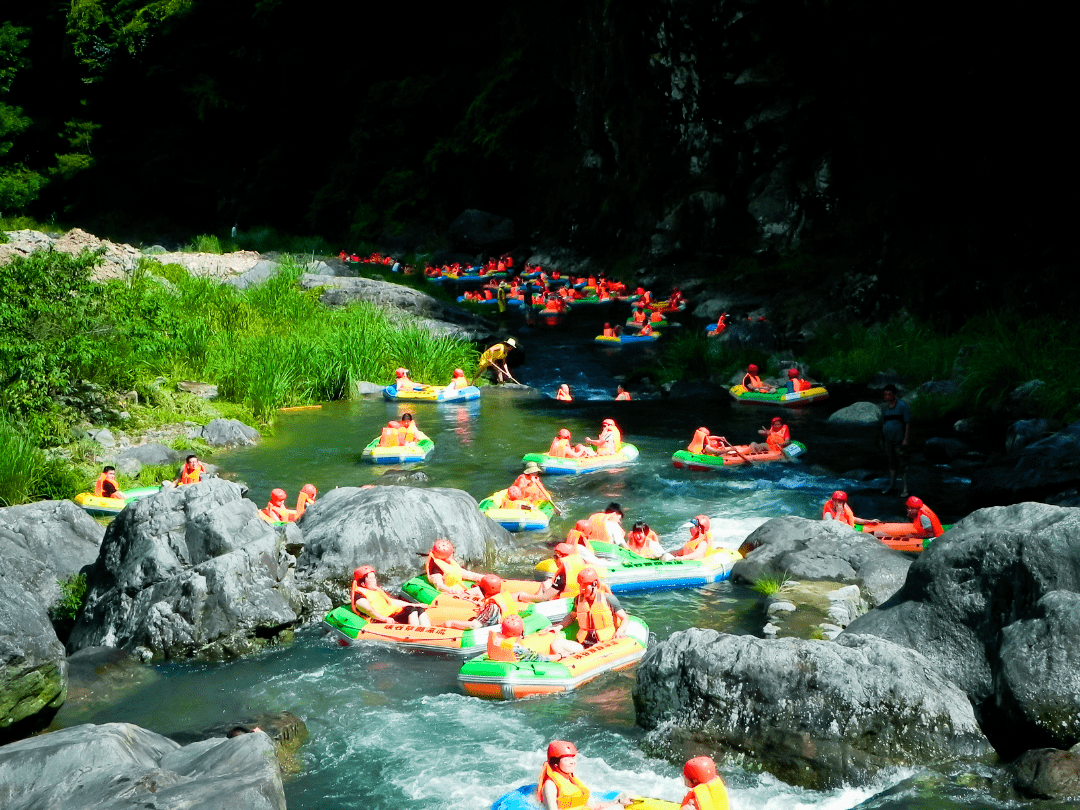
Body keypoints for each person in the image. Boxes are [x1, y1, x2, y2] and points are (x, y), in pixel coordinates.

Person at [553, 568, 629, 654]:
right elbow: (571, 616)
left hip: (604, 644)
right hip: (583, 644)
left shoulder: (608, 598)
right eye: (580, 585)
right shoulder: (578, 599)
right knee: (556, 643)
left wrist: (619, 631)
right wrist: (559, 626)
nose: (582, 589)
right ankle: (565, 658)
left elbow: (624, 618)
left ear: (595, 584)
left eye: (585, 585)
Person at [537, 740, 631, 810]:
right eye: (566, 759)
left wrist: (618, 801)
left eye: (573, 758)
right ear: (555, 763)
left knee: (619, 806)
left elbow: (592, 806)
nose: (572, 762)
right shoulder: (550, 785)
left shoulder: (574, 781)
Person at [350, 565, 431, 626]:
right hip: (381, 620)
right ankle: (416, 635)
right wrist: (385, 619)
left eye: (374, 578)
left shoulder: (375, 590)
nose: (374, 581)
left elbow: (391, 601)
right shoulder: (359, 597)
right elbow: (369, 610)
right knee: (411, 611)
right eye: (371, 579)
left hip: (392, 614)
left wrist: (414, 604)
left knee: (418, 609)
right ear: (362, 584)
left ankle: (428, 631)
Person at [443, 574, 527, 631]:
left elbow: (474, 625)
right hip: (510, 628)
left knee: (450, 623)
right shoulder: (505, 596)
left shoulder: (493, 606)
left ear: (482, 590)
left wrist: (452, 623)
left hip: (497, 632)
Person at [519, 542, 589, 603]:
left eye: (556, 557)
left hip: (563, 604)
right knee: (547, 582)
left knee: (543, 585)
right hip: (575, 599)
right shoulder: (580, 571)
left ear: (563, 558)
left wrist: (524, 596)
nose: (554, 559)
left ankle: (532, 602)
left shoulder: (561, 577)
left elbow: (544, 598)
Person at [880, 384, 911, 496]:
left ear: (894, 394)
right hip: (888, 440)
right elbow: (883, 423)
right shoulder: (885, 408)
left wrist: (905, 439)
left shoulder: (902, 406)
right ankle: (892, 485)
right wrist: (882, 439)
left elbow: (907, 423)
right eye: (885, 394)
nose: (887, 396)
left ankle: (905, 489)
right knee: (891, 463)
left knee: (902, 463)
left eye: (889, 394)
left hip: (899, 440)